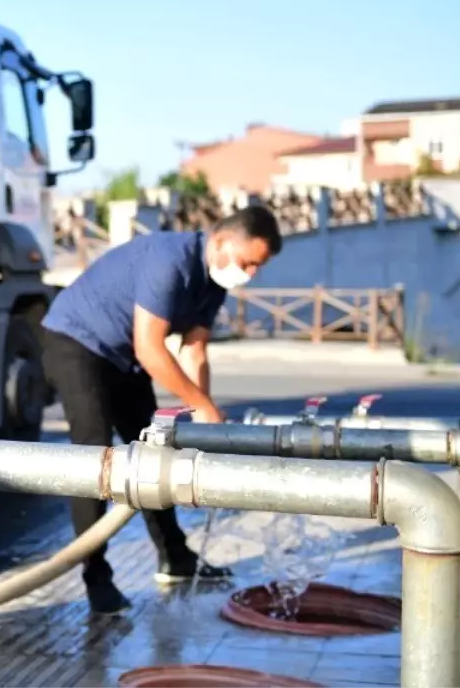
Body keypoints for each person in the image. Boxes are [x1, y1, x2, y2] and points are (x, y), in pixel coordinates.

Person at [41, 205, 283, 615]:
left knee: (153, 456)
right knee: (95, 458)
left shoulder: (213, 283)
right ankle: (95, 577)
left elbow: (194, 349)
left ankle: (176, 557)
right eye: (248, 263)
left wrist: (204, 417)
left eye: (258, 267)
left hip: (123, 360)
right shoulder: (170, 260)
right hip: (75, 342)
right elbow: (151, 348)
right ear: (222, 242)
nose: (251, 273)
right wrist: (203, 405)